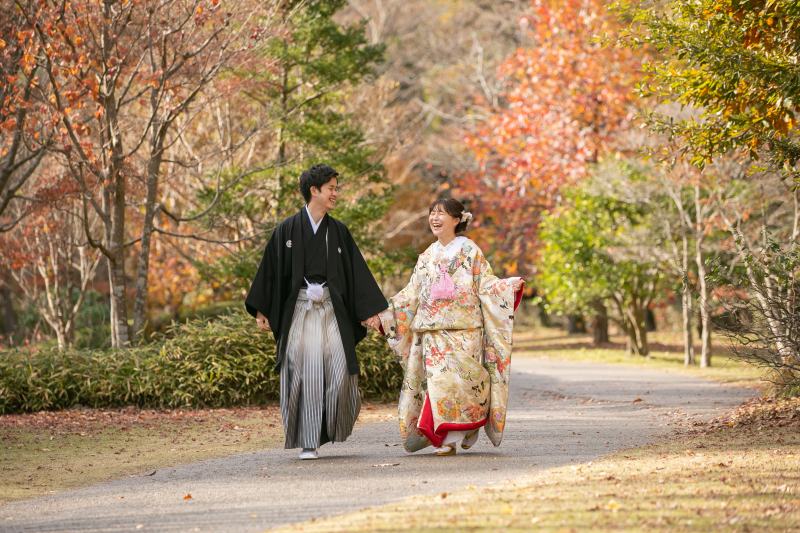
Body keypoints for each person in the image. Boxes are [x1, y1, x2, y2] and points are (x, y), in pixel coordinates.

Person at [245, 164, 388, 460]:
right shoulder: (287, 229)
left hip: (331, 308)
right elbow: (270, 271)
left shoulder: (338, 232)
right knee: (305, 373)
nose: (336, 193)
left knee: (343, 374)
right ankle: (308, 441)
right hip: (300, 309)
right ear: (315, 191)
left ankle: (336, 422)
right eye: (331, 188)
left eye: (336, 188)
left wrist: (368, 311)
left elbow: (355, 274)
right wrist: (261, 309)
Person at [366, 199, 523, 456]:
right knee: (440, 385)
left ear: (457, 219)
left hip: (465, 331)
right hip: (434, 333)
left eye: (442, 213)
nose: (435, 218)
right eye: (432, 213)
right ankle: (446, 438)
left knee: (465, 384)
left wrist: (506, 287)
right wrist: (384, 314)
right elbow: (411, 294)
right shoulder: (427, 256)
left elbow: (486, 285)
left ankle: (467, 425)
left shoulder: (470, 251)